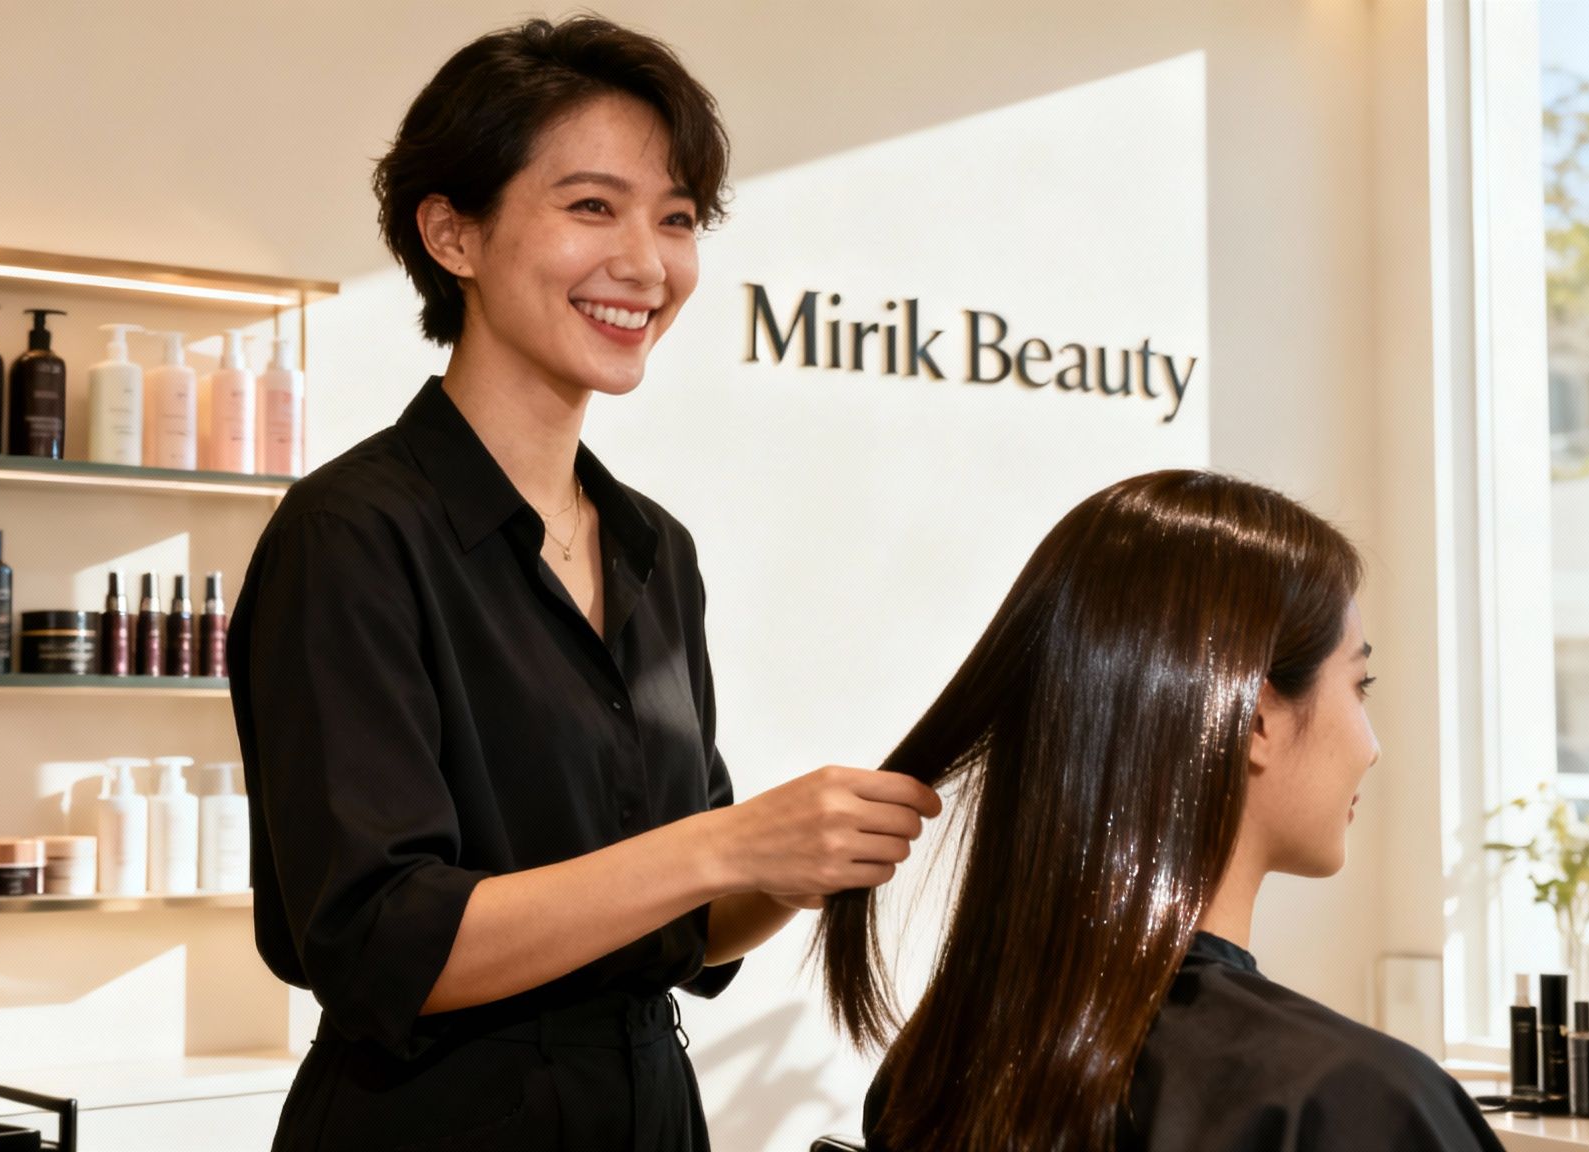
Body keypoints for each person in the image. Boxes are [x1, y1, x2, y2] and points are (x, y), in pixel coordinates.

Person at [228, 17, 939, 1151]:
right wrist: (728, 845)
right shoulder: (351, 534)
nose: (647, 265)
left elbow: (689, 920)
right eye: (591, 206)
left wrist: (801, 860)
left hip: (648, 1107)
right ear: (451, 233)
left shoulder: (654, 549)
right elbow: (378, 943)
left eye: (676, 219)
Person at [819, 470, 1502, 1152]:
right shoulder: (1351, 1104)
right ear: (1255, 719)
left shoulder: (935, 1070)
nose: (1371, 747)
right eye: (1360, 684)